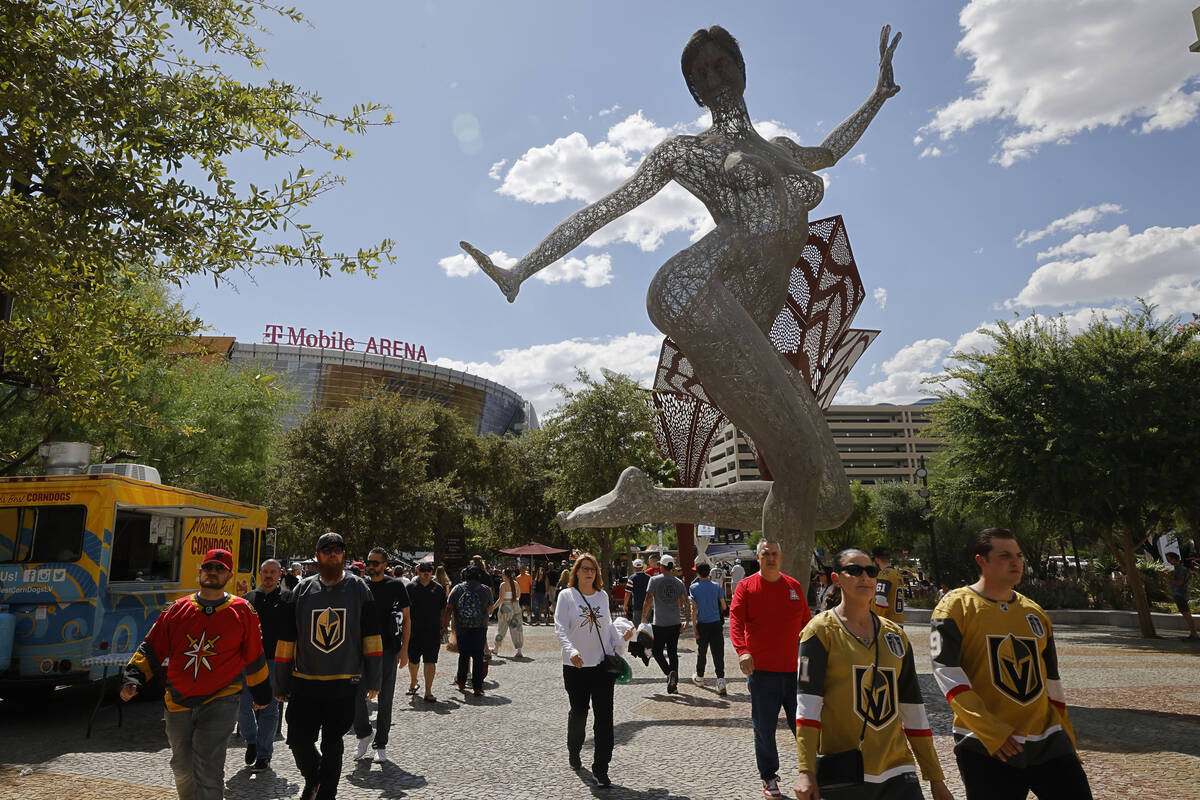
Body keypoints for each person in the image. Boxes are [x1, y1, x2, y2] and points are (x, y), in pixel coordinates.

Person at [463, 24, 900, 583]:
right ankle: (785, 629)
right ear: (693, 90)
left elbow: (832, 150)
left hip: (750, 339)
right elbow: (606, 207)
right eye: (702, 74)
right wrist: (521, 267)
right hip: (695, 290)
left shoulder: (782, 151)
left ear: (743, 71)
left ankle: (651, 501)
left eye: (722, 66)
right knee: (799, 467)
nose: (714, 78)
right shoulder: (688, 152)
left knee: (829, 499)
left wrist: (878, 96)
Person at [931, 528, 1092, 799]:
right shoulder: (955, 607)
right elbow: (947, 673)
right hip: (985, 745)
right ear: (981, 560)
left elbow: (1052, 681)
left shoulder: (1034, 612)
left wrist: (1068, 738)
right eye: (1005, 556)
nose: (1016, 562)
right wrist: (992, 731)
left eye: (1018, 555)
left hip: (1048, 741)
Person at [793, 549, 953, 800]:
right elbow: (808, 707)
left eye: (870, 571)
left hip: (898, 770)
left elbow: (913, 709)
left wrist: (935, 778)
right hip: (846, 771)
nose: (864, 577)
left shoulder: (896, 636)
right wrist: (806, 770)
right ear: (836, 578)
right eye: (854, 571)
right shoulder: (819, 632)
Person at [121, 549, 271, 800]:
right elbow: (153, 645)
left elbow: (254, 654)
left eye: (219, 568)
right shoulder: (177, 610)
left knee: (208, 767)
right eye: (209, 567)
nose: (213, 572)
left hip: (221, 699)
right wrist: (133, 677)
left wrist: (261, 694)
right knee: (182, 768)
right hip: (178, 700)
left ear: (229, 575)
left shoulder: (243, 611)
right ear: (200, 570)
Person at [274, 532, 383, 800]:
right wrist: (280, 680)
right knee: (298, 741)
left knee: (333, 743)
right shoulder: (301, 590)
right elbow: (287, 639)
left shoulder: (359, 589)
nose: (333, 553)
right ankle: (314, 778)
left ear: (343, 554)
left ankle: (327, 795)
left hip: (344, 682)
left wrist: (374, 679)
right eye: (327, 549)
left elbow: (372, 638)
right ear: (317, 554)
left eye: (338, 549)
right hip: (305, 680)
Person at [729, 539, 812, 799]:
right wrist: (743, 650)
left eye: (775, 553)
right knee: (764, 728)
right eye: (766, 554)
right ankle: (769, 776)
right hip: (763, 673)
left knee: (804, 726)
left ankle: (809, 773)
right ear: (758, 556)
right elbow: (735, 620)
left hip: (795, 672)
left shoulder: (794, 587)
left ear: (781, 556)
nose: (771, 558)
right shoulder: (746, 586)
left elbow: (808, 625)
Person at [554, 552, 634, 789]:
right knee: (579, 713)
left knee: (604, 719)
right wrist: (571, 651)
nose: (589, 572)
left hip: (601, 666)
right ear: (576, 571)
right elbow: (560, 628)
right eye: (585, 568)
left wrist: (622, 637)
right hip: (575, 666)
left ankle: (601, 769)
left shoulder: (602, 596)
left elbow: (607, 628)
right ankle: (574, 749)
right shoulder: (566, 596)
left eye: (593, 569)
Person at [353, 547, 411, 764]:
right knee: (355, 696)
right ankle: (364, 733)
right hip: (362, 651)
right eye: (368, 562)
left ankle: (381, 744)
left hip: (388, 649)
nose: (370, 566)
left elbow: (407, 618)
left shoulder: (395, 585)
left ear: (385, 564)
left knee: (385, 699)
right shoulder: (360, 585)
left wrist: (405, 649)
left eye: (375, 563)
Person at [239, 558, 293, 772]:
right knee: (243, 706)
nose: (269, 575)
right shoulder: (247, 599)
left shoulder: (289, 599)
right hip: (249, 660)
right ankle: (251, 740)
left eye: (273, 572)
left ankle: (264, 754)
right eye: (265, 572)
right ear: (260, 574)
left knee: (270, 709)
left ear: (280, 574)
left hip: (275, 661)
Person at [643, 554, 688, 693]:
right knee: (673, 652)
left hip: (660, 623)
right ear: (672, 567)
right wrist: (687, 620)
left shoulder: (654, 580)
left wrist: (643, 618)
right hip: (675, 623)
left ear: (661, 566)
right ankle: (674, 682)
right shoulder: (679, 582)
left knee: (657, 651)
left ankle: (669, 674)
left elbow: (648, 600)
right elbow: (686, 602)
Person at [447, 564, 494, 695]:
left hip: (462, 627)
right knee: (478, 656)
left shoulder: (457, 588)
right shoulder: (485, 590)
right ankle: (477, 687)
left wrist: (446, 625)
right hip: (480, 627)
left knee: (464, 656)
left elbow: (449, 607)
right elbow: (490, 609)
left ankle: (461, 683)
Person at [406, 561, 448, 701]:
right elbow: (404, 610)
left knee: (430, 661)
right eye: (423, 570)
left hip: (432, 630)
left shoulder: (438, 589)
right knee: (413, 660)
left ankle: (428, 691)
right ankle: (413, 681)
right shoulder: (410, 588)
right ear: (418, 571)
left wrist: (444, 626)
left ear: (432, 572)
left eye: (429, 570)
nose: (426, 573)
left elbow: (444, 609)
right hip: (414, 630)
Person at [689, 561, 728, 695]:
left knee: (702, 651)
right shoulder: (717, 587)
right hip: (716, 623)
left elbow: (694, 610)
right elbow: (724, 606)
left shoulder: (693, 588)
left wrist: (694, 629)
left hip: (702, 624)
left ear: (698, 573)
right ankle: (721, 680)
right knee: (718, 653)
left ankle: (700, 677)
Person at [490, 567, 525, 657]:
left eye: (502, 574)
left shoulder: (503, 584)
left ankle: (496, 649)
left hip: (506, 606)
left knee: (502, 628)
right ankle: (519, 650)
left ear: (505, 575)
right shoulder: (516, 583)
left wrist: (493, 607)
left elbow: (501, 599)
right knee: (517, 629)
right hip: (516, 606)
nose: (501, 575)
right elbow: (519, 596)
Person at [1165, 552, 1198, 640]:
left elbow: (1179, 582)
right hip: (1180, 594)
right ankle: (1193, 634)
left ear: (1174, 559)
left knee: (1187, 614)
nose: (1168, 561)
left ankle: (1194, 634)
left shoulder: (1180, 569)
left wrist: (1167, 577)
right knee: (1186, 614)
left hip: (1180, 594)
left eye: (1169, 559)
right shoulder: (1179, 568)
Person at [872, 547, 906, 625]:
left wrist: (876, 619)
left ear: (877, 560)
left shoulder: (884, 574)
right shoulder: (897, 574)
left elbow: (880, 599)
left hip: (886, 622)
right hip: (899, 620)